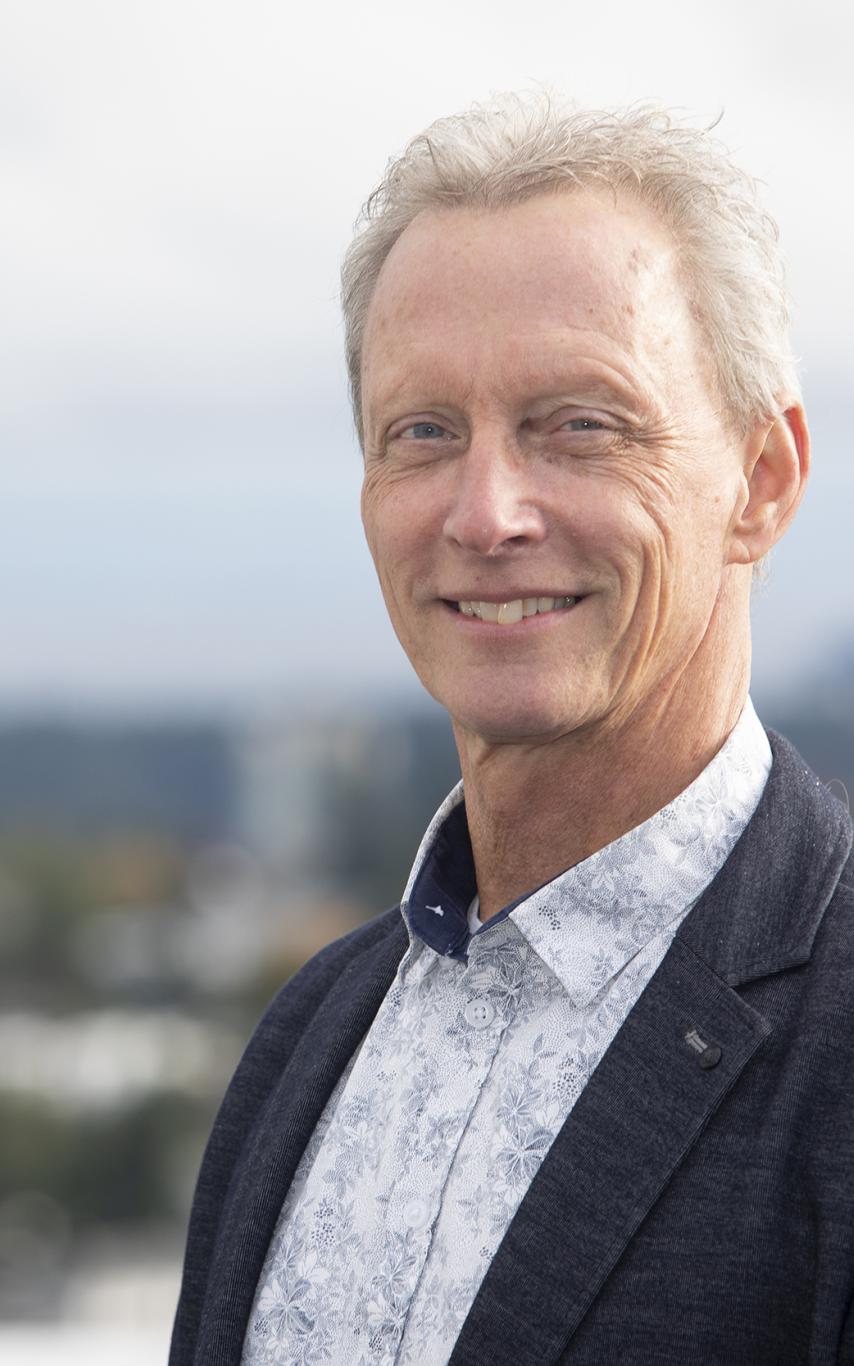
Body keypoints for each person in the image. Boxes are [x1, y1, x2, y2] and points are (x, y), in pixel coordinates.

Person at [170, 97, 854, 1365]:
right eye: (422, 431)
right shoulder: (310, 1037)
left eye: (577, 424)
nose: (485, 515)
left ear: (760, 480)